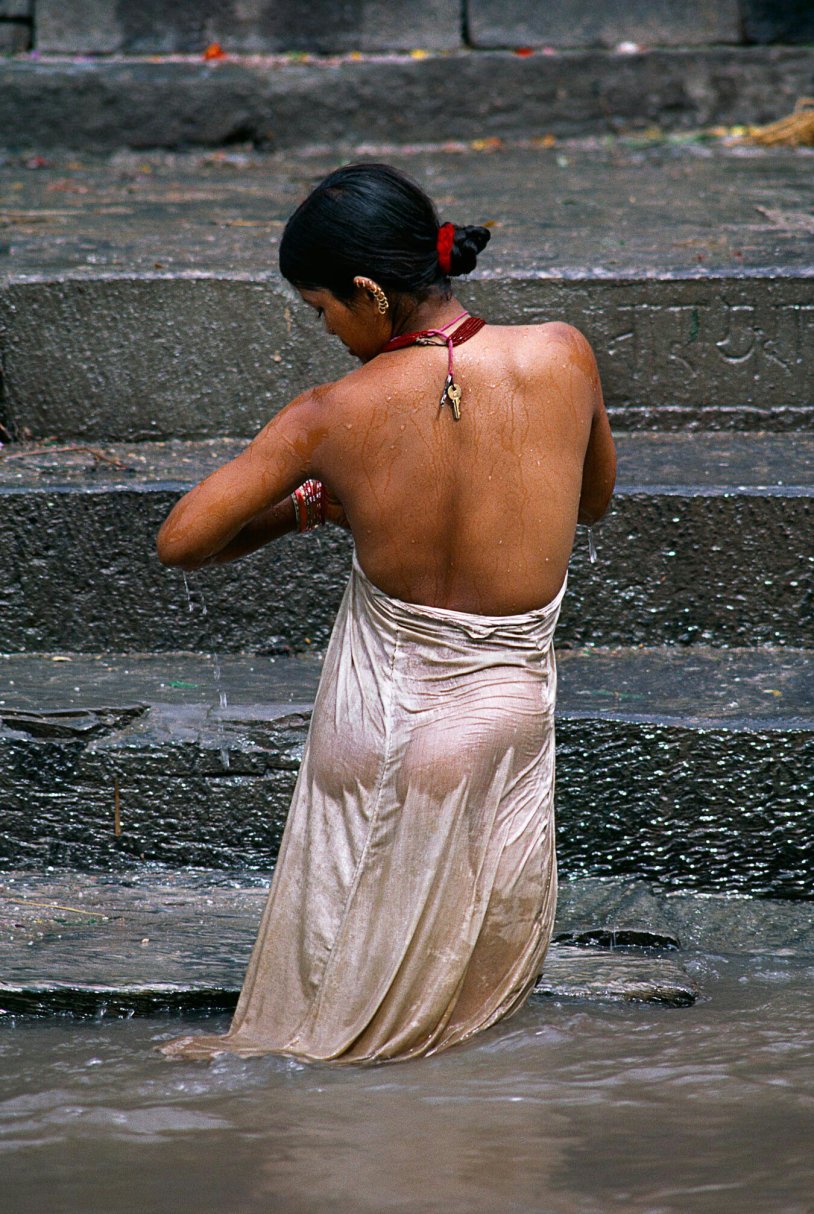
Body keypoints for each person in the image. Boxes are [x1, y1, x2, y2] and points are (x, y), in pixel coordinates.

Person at [156, 163, 616, 1063]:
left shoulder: (331, 413)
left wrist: (297, 513)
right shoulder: (564, 353)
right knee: (457, 1023)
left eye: (324, 310)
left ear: (370, 294)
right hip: (499, 725)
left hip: (373, 725)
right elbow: (593, 502)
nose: (328, 332)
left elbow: (181, 540)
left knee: (327, 994)